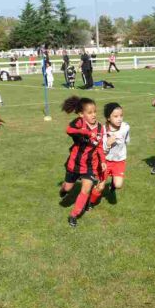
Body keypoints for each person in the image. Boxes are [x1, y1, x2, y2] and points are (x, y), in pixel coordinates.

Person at [58, 96, 106, 227]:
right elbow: (69, 130)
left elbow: (100, 146)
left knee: (86, 189)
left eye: (95, 111)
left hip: (90, 165)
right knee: (68, 187)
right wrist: (84, 132)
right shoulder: (80, 122)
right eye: (89, 112)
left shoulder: (101, 129)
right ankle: (63, 190)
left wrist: (102, 160)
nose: (93, 115)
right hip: (75, 163)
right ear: (81, 114)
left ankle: (73, 215)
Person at [87, 102, 130, 210]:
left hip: (119, 160)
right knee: (100, 186)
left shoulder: (125, 127)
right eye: (115, 116)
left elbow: (126, 140)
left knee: (118, 184)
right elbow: (100, 150)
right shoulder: (102, 130)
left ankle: (113, 184)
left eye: (121, 115)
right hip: (105, 161)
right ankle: (90, 203)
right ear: (108, 118)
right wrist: (108, 144)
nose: (119, 119)